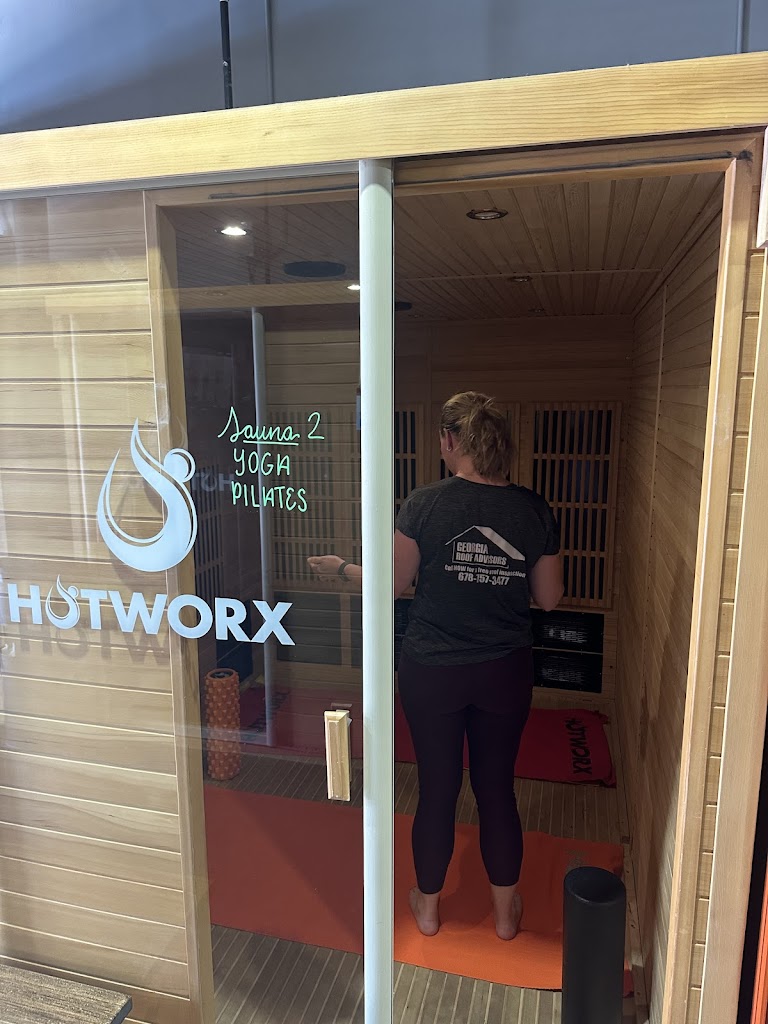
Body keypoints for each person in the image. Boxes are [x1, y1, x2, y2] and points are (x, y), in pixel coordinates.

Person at [308, 391, 563, 941]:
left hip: (432, 671)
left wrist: (343, 568)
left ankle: (426, 911)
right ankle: (504, 917)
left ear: (450, 441)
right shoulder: (533, 509)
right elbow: (549, 598)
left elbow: (391, 585)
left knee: (438, 789)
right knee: (497, 789)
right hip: (504, 670)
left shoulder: (424, 503)